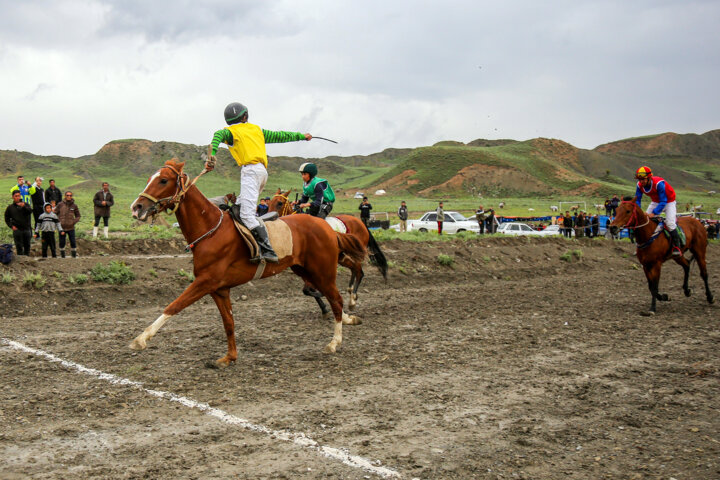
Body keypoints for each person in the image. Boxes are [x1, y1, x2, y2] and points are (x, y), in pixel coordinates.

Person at [206, 102, 312, 263]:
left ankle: (268, 250)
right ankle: (248, 246)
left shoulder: (230, 132)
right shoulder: (257, 130)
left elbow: (217, 136)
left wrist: (212, 156)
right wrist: (301, 136)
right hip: (262, 172)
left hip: (250, 172)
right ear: (245, 116)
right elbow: (281, 136)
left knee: (246, 215)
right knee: (239, 210)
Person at [635, 166, 681, 256]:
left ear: (649, 177)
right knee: (645, 221)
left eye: (643, 179)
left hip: (669, 201)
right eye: (639, 179)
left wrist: (654, 213)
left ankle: (677, 247)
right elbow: (637, 200)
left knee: (670, 223)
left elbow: (663, 201)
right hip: (655, 202)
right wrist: (640, 211)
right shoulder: (639, 185)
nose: (641, 182)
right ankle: (643, 246)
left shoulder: (658, 183)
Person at [5, 191, 33, 256]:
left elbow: (30, 211)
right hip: (17, 230)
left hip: (26, 229)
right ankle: (20, 262)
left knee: (27, 246)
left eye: (19, 196)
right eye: (16, 196)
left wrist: (24, 206)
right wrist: (11, 226)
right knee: (19, 246)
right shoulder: (10, 207)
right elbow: (7, 218)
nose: (18, 197)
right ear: (13, 197)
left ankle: (27, 260)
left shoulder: (26, 204)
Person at [55, 190, 81, 258]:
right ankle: (62, 256)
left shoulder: (74, 205)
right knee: (62, 242)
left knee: (73, 242)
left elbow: (78, 216)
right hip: (62, 227)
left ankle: (74, 256)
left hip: (71, 227)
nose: (69, 196)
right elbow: (55, 213)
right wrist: (58, 222)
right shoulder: (60, 204)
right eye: (67, 195)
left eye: (70, 195)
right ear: (65, 196)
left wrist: (73, 222)